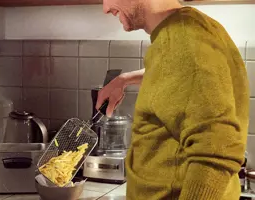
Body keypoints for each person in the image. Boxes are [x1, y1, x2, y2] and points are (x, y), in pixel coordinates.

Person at [96, 0, 249, 199]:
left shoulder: (182, 38)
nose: (105, 8)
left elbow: (217, 148)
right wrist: (125, 80)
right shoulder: (195, 28)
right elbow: (183, 74)